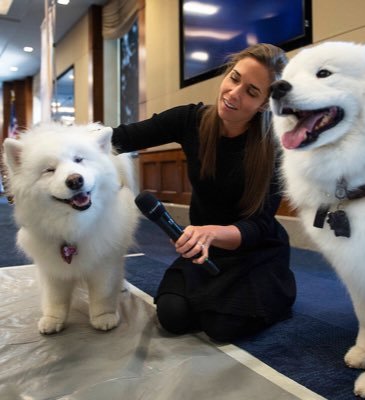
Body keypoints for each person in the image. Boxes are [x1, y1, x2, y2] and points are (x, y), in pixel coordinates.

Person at [111, 43, 296, 342]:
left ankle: (278, 286)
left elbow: (260, 226)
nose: (234, 93)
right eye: (234, 78)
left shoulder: (275, 146)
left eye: (251, 91)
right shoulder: (190, 120)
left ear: (264, 104)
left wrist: (212, 233)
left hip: (253, 251)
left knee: (221, 327)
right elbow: (121, 137)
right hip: (204, 250)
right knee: (172, 316)